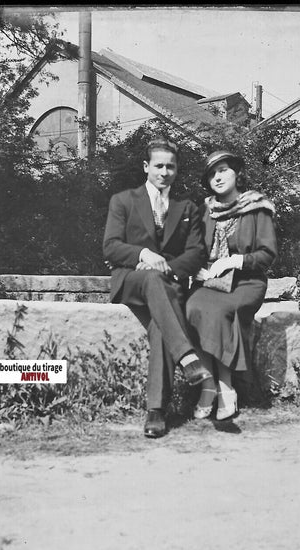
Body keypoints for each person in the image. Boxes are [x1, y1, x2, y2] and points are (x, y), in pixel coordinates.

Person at [103, 137, 213, 439]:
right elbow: (111, 247)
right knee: (151, 279)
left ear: (176, 170)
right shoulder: (123, 201)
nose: (164, 172)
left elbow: (196, 253)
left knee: (159, 327)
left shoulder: (187, 207)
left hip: (167, 285)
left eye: (170, 166)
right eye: (158, 166)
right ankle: (188, 358)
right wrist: (143, 255)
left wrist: (168, 267)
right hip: (131, 280)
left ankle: (156, 411)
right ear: (146, 167)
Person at [185, 150, 278, 421]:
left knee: (220, 312)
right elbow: (194, 250)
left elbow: (267, 255)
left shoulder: (257, 207)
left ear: (237, 173)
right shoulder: (206, 211)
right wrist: (196, 268)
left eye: (223, 170)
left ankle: (223, 388)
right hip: (212, 285)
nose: (218, 177)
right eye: (212, 174)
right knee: (191, 307)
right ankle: (209, 385)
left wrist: (236, 261)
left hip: (246, 283)